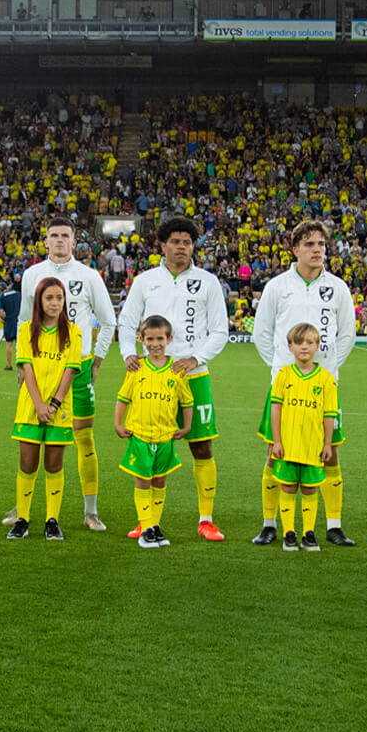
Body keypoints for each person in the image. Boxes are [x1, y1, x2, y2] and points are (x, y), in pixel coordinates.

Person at [117, 215, 229, 541]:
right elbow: (126, 323)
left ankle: (206, 519)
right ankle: (147, 520)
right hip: (151, 378)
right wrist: (128, 353)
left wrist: (196, 358)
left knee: (202, 447)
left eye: (187, 242)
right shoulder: (145, 280)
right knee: (148, 449)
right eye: (176, 242)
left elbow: (220, 330)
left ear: (194, 246)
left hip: (194, 376)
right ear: (162, 245)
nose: (182, 247)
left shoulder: (207, 281)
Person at [250, 220, 357, 546]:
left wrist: (325, 370)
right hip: (285, 386)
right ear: (295, 249)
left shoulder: (338, 287)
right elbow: (262, 334)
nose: (317, 250)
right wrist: (283, 368)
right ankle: (270, 524)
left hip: (325, 386)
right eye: (310, 244)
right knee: (274, 453)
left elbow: (347, 334)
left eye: (321, 245)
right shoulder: (277, 286)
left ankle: (334, 525)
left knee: (331, 453)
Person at [14, 216, 117, 532]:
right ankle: (23, 508)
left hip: (79, 366)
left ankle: (91, 510)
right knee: (30, 438)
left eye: (65, 235)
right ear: (45, 241)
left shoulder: (88, 276)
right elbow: (23, 321)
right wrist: (21, 365)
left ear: (74, 242)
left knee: (83, 437)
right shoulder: (32, 274)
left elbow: (109, 320)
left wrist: (96, 362)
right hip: (40, 365)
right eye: (54, 235)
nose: (59, 240)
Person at [8, 276, 83, 542]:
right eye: (49, 297)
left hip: (59, 409)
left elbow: (70, 370)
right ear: (39, 300)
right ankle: (22, 520)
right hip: (30, 407)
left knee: (54, 465)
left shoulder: (73, 332)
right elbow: (26, 368)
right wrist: (39, 404)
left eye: (59, 298)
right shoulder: (27, 329)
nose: (55, 303)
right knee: (27, 465)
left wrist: (53, 404)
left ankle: (52, 520)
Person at [113, 315, 194, 549]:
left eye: (160, 338)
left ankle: (154, 525)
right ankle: (146, 527)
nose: (155, 343)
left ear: (169, 339)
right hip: (140, 435)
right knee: (143, 481)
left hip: (166, 435)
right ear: (141, 339)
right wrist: (118, 424)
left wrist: (186, 427)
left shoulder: (177, 371)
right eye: (150, 339)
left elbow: (186, 402)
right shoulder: (136, 368)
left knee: (159, 481)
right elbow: (122, 398)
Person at [265, 323, 340, 552]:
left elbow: (329, 415)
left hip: (313, 445)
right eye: (299, 343)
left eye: (309, 342)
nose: (304, 347)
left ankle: (308, 533)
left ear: (318, 346)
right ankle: (289, 533)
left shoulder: (326, 379)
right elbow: (275, 409)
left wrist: (328, 443)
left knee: (310, 488)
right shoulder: (283, 375)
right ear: (290, 347)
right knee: (287, 487)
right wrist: (277, 441)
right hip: (288, 444)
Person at [0, 282, 23, 371]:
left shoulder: (2, 296)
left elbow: (0, 312)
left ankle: (9, 365)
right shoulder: (18, 294)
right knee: (21, 344)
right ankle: (23, 365)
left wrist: (3, 319)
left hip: (9, 322)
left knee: (9, 344)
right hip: (20, 320)